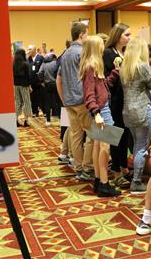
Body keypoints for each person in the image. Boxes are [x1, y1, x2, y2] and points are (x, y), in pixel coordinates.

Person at [80, 35, 120, 197]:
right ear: (95, 48)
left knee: (98, 146)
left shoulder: (96, 66)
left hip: (102, 109)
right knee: (105, 148)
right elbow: (89, 94)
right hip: (101, 111)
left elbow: (103, 88)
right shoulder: (91, 66)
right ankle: (104, 184)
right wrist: (96, 113)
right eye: (101, 44)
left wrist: (116, 73)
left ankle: (98, 180)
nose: (104, 46)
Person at [56, 22, 94, 181]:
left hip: (69, 100)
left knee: (76, 135)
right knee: (93, 135)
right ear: (81, 35)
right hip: (82, 99)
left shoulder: (65, 54)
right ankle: (87, 167)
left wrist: (64, 99)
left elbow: (59, 78)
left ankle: (79, 168)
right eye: (87, 33)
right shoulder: (83, 52)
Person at [121, 37, 151, 194]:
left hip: (128, 111)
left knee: (136, 145)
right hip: (142, 110)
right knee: (142, 146)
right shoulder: (142, 67)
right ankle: (137, 182)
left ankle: (136, 175)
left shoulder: (124, 67)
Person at [103, 23, 133, 188]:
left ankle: (123, 168)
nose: (129, 38)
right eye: (127, 35)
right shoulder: (108, 53)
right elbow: (107, 80)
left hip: (125, 100)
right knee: (115, 136)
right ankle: (116, 172)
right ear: (118, 36)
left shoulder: (125, 53)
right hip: (113, 101)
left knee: (124, 136)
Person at [38, 53, 60, 126]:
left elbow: (40, 73)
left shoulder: (44, 65)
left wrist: (42, 82)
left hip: (47, 85)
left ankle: (48, 120)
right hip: (56, 84)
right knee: (58, 102)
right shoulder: (57, 63)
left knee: (47, 103)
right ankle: (60, 119)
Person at [13, 49, 32, 127]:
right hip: (24, 85)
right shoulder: (25, 64)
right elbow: (28, 76)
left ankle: (16, 119)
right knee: (26, 102)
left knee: (18, 102)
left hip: (16, 85)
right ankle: (26, 120)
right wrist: (30, 86)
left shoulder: (13, 64)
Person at [27, 45, 45, 117]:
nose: (28, 51)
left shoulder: (40, 58)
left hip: (39, 83)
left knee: (41, 98)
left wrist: (42, 80)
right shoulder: (28, 59)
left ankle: (45, 112)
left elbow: (43, 69)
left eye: (30, 49)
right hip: (31, 83)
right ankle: (35, 112)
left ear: (34, 50)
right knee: (33, 98)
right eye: (28, 49)